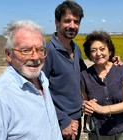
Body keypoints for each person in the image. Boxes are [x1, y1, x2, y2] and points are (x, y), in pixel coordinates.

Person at [0, 20, 63, 140]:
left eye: (40, 50)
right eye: (26, 50)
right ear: (8, 54)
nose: (35, 57)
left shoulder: (42, 79)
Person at [81, 31, 123, 140]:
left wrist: (102, 109)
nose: (98, 53)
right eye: (93, 50)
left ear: (110, 51)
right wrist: (86, 106)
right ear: (89, 54)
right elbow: (85, 101)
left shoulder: (121, 71)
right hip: (99, 131)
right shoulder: (84, 75)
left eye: (102, 49)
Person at [42, 1, 86, 140]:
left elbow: (85, 74)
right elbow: (39, 90)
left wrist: (109, 64)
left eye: (76, 22)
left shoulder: (75, 48)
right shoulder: (48, 51)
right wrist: (63, 120)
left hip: (77, 118)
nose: (72, 26)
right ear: (57, 22)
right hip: (60, 122)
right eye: (67, 21)